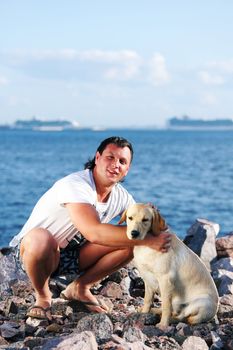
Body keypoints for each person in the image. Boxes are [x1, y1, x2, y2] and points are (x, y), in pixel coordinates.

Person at [10, 136, 171, 319]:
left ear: (127, 170)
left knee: (133, 243)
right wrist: (150, 239)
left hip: (71, 258)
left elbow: (144, 225)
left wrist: (150, 216)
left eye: (122, 161)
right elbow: (93, 231)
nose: (115, 164)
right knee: (40, 239)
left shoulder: (121, 196)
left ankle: (80, 287)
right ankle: (43, 296)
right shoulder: (76, 185)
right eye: (110, 157)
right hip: (32, 256)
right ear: (97, 158)